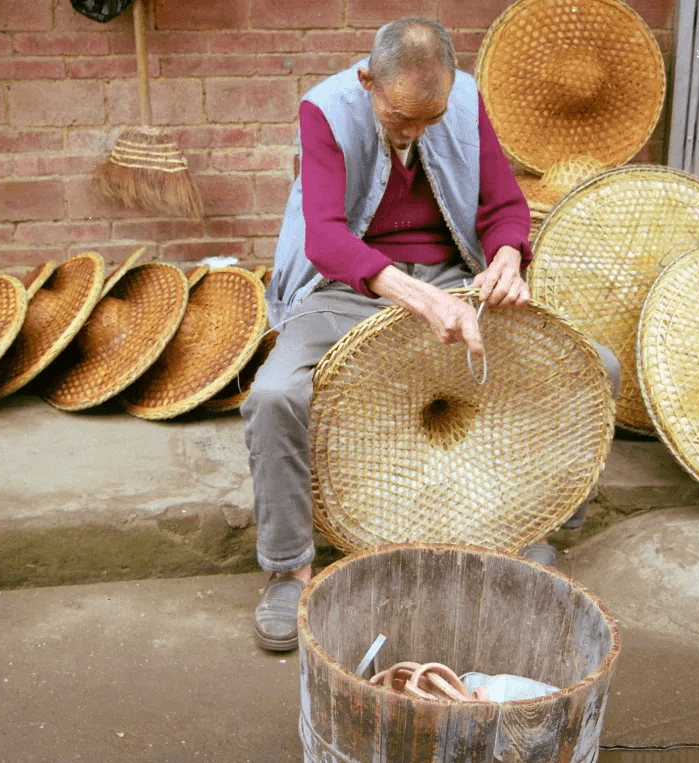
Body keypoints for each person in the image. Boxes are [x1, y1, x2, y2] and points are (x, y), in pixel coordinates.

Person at [240, 17, 620, 652]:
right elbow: (327, 236)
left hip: (454, 279)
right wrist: (413, 295)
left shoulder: (465, 102)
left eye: (430, 118)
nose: (414, 132)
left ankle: (536, 524)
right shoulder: (325, 112)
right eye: (399, 118)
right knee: (276, 397)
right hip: (351, 287)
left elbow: (504, 207)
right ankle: (288, 568)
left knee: (596, 367)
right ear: (367, 81)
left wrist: (506, 259)